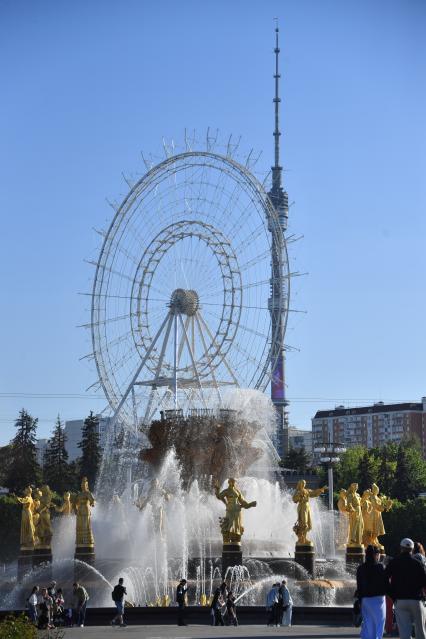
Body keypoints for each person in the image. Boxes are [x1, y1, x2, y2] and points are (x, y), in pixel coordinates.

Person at [386, 537, 426, 639]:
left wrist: (392, 595)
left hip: (400, 600)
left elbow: (384, 579)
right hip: (416, 600)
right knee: (420, 631)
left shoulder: (394, 562)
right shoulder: (418, 563)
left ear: (401, 548)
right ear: (412, 550)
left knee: (404, 633)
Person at [356, 545, 389, 639]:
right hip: (379, 600)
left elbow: (359, 586)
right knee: (379, 623)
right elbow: (386, 584)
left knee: (367, 624)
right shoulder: (380, 567)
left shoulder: (361, 568)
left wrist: (360, 600)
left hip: (365, 599)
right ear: (376, 555)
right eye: (378, 554)